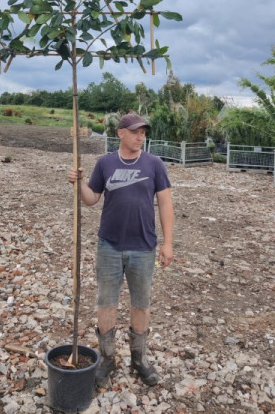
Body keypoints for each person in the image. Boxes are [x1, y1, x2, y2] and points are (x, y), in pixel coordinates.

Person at [68, 112, 175, 387]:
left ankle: (138, 359)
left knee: (141, 303)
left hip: (143, 247)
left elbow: (165, 203)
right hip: (109, 246)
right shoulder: (105, 163)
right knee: (107, 302)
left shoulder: (154, 164)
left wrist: (168, 242)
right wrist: (78, 182)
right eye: (136, 131)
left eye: (143, 132)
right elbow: (91, 199)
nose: (141, 137)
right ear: (121, 133)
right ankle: (107, 358)